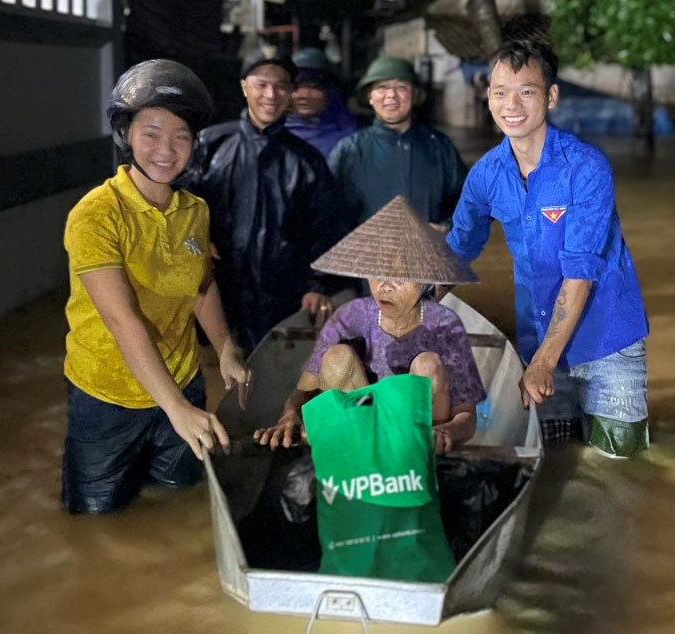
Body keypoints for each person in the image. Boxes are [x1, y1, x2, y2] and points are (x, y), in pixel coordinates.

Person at [446, 40, 650, 459]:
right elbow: (458, 250)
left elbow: (579, 273)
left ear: (551, 96)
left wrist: (542, 362)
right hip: (536, 336)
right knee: (554, 458)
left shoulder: (586, 167)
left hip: (606, 337)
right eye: (500, 92)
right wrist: (408, 301)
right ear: (488, 98)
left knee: (621, 463)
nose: (511, 104)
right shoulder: (486, 175)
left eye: (526, 91)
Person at [61, 59, 249, 514]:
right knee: (96, 522)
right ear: (126, 135)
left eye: (181, 136)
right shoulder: (96, 215)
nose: (167, 149)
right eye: (152, 133)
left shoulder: (195, 211)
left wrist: (225, 348)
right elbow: (122, 321)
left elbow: (201, 287)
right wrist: (177, 410)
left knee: (179, 505)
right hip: (108, 396)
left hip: (185, 382)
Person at [254, 196, 486, 454]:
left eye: (401, 277)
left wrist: (446, 433)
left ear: (424, 281)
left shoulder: (444, 324)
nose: (385, 286)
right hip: (363, 431)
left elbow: (467, 416)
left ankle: (409, 461)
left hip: (416, 440)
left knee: (428, 364)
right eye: (377, 273)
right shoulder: (349, 317)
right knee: (337, 357)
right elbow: (303, 391)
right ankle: (365, 452)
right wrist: (289, 416)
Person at [182, 54, 353, 355]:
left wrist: (319, 285)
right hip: (216, 287)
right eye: (261, 84)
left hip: (282, 292)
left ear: (289, 93)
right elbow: (180, 203)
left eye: (281, 86)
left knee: (274, 373)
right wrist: (197, 238)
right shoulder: (211, 145)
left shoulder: (306, 160)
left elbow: (328, 227)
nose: (270, 95)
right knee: (214, 363)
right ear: (244, 87)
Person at [328, 56, 467, 230]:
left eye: (401, 87)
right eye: (382, 87)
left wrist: (448, 226)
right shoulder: (349, 150)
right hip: (367, 255)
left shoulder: (439, 146)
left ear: (415, 95)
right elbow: (326, 212)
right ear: (370, 96)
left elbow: (469, 201)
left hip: (428, 253)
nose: (391, 95)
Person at [285, 47, 356, 158]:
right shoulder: (269, 136)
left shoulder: (350, 139)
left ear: (328, 92)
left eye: (314, 87)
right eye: (296, 88)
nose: (304, 95)